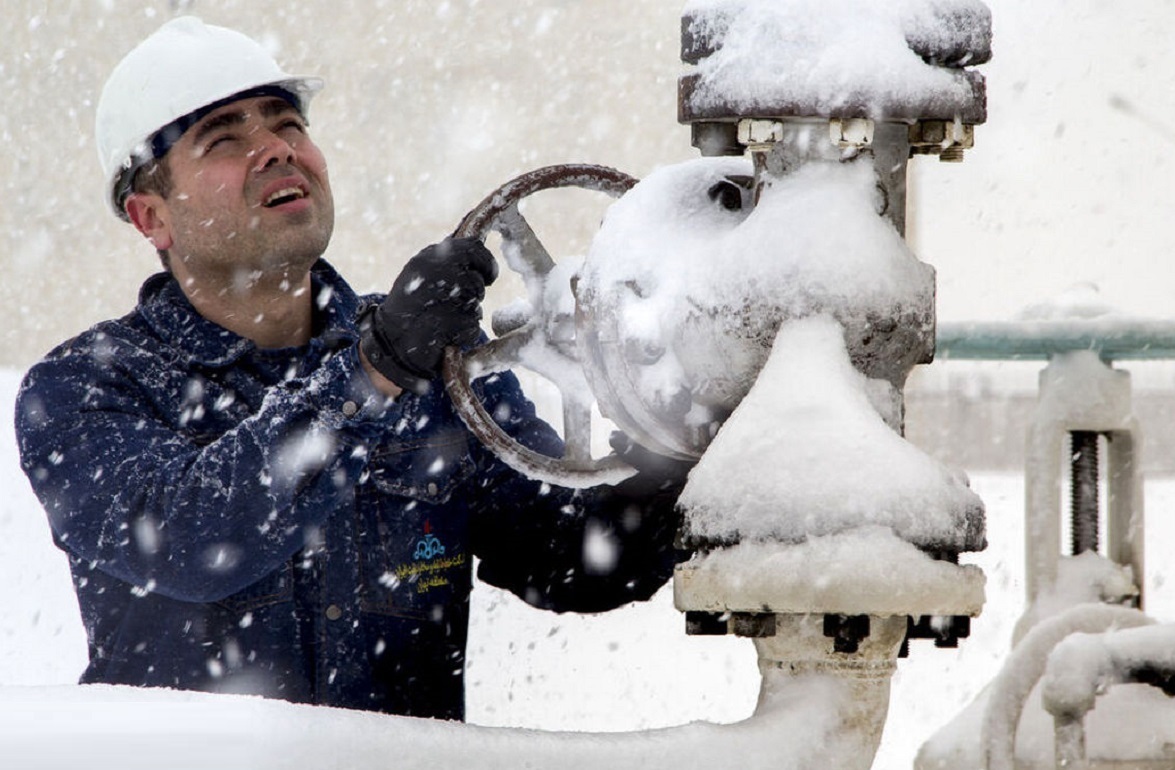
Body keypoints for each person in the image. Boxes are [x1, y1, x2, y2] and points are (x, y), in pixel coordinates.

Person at [14, 16, 687, 720]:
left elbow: (574, 556)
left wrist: (678, 431)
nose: (275, 150)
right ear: (152, 217)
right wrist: (371, 373)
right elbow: (193, 538)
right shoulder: (84, 390)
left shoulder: (437, 365)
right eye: (225, 139)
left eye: (287, 125)